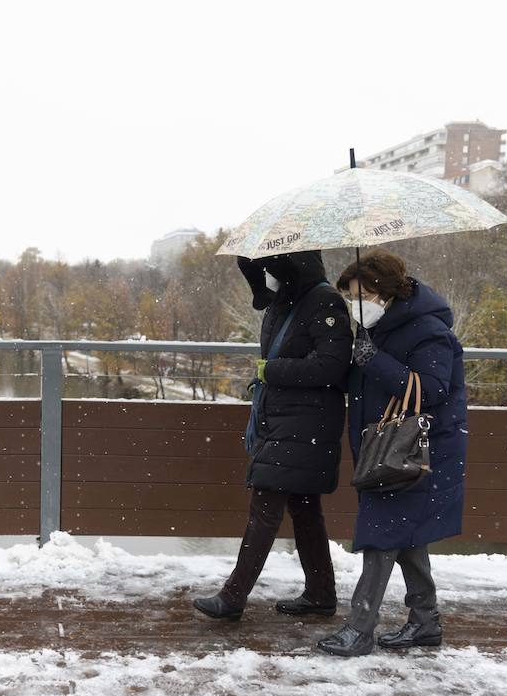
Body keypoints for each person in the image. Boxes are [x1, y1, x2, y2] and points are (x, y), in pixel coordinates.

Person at [317, 250, 467, 657]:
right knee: (406, 537)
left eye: (364, 294)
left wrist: (375, 360)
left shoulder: (428, 331)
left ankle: (360, 628)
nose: (357, 304)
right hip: (386, 451)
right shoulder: (377, 332)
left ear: (387, 293)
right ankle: (425, 622)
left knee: (382, 537)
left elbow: (430, 390)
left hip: (416, 453)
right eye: (351, 296)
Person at [193, 251, 351, 622]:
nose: (267, 278)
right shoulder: (289, 300)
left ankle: (233, 596)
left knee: (265, 506)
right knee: (304, 509)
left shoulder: (324, 300)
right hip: (288, 420)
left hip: (306, 423)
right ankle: (320, 594)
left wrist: (272, 371)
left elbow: (333, 365)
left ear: (290, 267)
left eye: (270, 269)